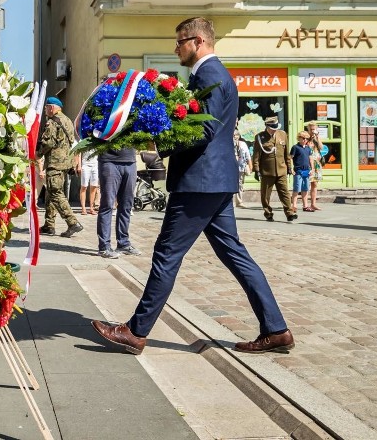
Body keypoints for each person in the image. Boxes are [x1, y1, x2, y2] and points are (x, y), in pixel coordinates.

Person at [91, 17, 293, 355]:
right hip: (213, 181)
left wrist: (161, 139)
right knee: (235, 254)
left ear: (197, 41)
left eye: (180, 41)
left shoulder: (210, 75)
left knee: (167, 254)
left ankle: (136, 332)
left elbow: (203, 131)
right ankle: (276, 328)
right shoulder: (210, 75)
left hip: (200, 182)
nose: (176, 48)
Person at [36, 97, 83, 238]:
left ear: (52, 107)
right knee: (51, 193)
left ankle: (72, 222)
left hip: (55, 162)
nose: (45, 110)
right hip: (65, 163)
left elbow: (48, 142)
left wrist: (38, 153)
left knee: (55, 192)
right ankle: (49, 225)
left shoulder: (52, 122)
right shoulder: (67, 120)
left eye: (46, 108)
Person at [95, 149, 140, 259]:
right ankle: (104, 246)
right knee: (107, 205)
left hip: (130, 161)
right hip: (109, 161)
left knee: (126, 205)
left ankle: (123, 243)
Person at [251, 116, 296, 222]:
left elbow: (286, 153)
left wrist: (289, 167)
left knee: (285, 193)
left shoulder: (283, 134)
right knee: (265, 195)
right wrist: (256, 170)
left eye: (276, 127)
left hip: (281, 170)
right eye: (272, 127)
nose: (275, 129)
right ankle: (268, 213)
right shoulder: (260, 137)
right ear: (267, 126)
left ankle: (289, 213)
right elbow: (256, 155)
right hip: (267, 171)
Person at [290, 131, 313, 212]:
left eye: (306, 138)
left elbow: (310, 159)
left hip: (306, 170)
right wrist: (291, 168)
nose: (305, 140)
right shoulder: (295, 147)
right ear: (299, 138)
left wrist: (312, 169)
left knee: (305, 189)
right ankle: (294, 206)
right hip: (298, 171)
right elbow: (291, 158)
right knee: (296, 189)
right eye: (303, 138)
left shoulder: (308, 148)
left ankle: (305, 206)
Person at [305, 121, 324, 210]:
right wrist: (309, 138)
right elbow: (304, 146)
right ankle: (305, 204)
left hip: (317, 163)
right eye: (311, 129)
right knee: (306, 184)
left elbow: (321, 147)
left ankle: (313, 204)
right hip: (308, 162)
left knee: (315, 184)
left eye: (314, 129)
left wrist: (317, 137)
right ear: (308, 129)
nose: (313, 131)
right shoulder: (306, 137)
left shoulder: (317, 137)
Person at [234, 129, 251, 208]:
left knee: (240, 184)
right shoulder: (229, 143)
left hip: (241, 167)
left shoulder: (243, 144)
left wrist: (250, 166)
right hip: (232, 167)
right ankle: (231, 202)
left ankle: (239, 201)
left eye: (237, 135)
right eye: (234, 135)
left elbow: (248, 155)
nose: (235, 137)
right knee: (232, 184)